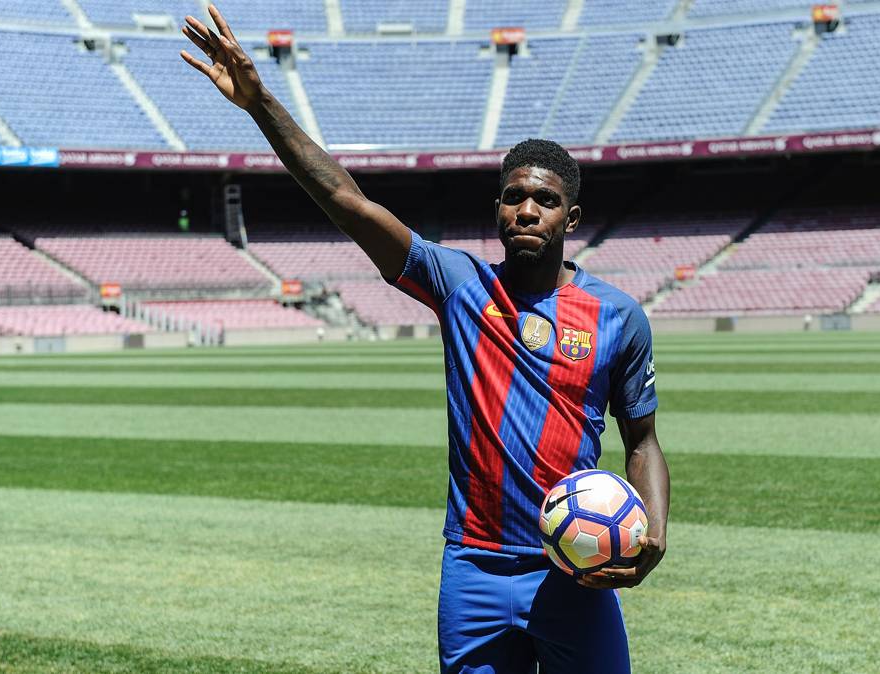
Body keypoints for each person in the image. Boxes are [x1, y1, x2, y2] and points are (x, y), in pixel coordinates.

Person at [181, 7, 669, 672]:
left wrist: (653, 537)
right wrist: (260, 102)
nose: (525, 209)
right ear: (497, 208)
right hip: (473, 567)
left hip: (572, 569)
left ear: (571, 217)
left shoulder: (616, 317)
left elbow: (640, 441)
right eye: (513, 196)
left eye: (544, 201)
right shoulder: (459, 283)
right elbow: (349, 203)